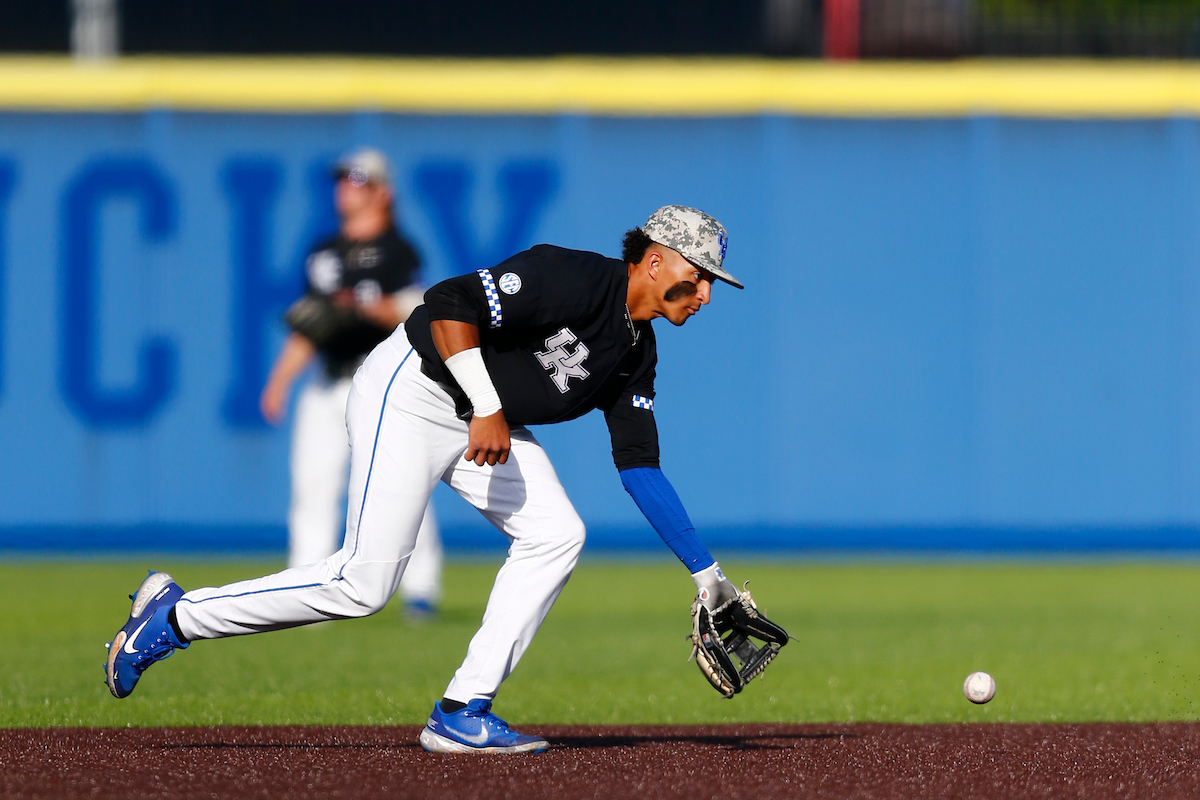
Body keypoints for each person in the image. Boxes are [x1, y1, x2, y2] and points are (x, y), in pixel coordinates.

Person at [104, 205, 746, 756]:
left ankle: (463, 709)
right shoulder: (573, 275)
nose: (707, 294)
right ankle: (176, 618)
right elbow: (448, 301)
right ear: (657, 259)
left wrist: (705, 574)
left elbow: (640, 466)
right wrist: (488, 404)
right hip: (412, 391)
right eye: (700, 275)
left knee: (556, 534)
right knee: (362, 585)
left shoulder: (637, 353)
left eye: (713, 283)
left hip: (478, 422)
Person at [259, 146, 442, 616]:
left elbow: (416, 311)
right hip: (328, 379)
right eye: (342, 179)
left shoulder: (400, 251)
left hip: (383, 382)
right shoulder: (323, 252)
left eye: (358, 179)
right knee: (312, 485)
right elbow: (306, 329)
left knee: (399, 484)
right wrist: (279, 381)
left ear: (384, 192)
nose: (346, 187)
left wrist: (361, 304)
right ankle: (301, 593)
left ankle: (420, 590)